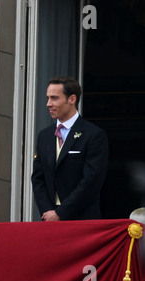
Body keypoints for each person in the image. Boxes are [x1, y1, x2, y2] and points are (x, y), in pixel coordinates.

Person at [31, 76, 108, 221]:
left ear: (72, 99)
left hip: (82, 220)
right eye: (48, 98)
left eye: (54, 98)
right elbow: (38, 179)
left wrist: (61, 213)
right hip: (49, 220)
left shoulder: (93, 135)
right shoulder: (45, 135)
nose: (48, 104)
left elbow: (91, 182)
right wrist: (47, 211)